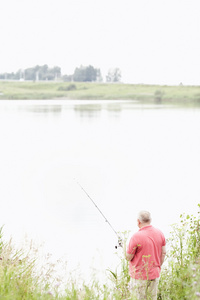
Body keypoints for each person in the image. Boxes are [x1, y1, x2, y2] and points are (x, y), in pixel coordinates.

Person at [125, 210, 166, 300]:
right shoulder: (160, 233)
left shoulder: (136, 236)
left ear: (138, 221)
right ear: (150, 220)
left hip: (139, 277)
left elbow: (128, 257)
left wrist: (125, 247)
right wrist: (157, 266)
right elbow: (163, 253)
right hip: (155, 274)